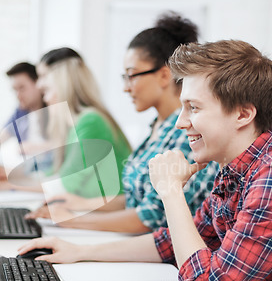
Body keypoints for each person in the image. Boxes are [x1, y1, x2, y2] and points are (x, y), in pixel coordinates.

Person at [18, 40, 272, 281]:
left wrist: (171, 192)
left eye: (193, 108)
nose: (182, 122)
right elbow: (171, 243)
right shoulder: (236, 167)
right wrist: (80, 252)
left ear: (243, 114)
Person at [26, 12, 219, 234]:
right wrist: (79, 204)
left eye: (131, 75)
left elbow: (150, 218)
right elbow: (133, 199)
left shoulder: (186, 134)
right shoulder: (156, 128)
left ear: (164, 76)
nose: (126, 87)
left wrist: (71, 219)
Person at [0, 48, 132, 201]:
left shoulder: (90, 121)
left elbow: (64, 185)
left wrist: (8, 184)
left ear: (62, 79)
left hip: (106, 216)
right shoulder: (79, 122)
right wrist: (11, 175)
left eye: (43, 76)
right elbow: (55, 173)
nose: (39, 85)